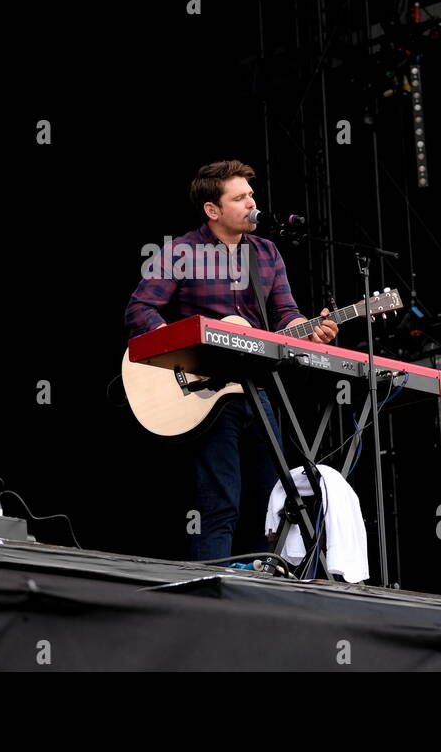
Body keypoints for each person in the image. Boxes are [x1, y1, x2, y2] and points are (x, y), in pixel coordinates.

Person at [125, 161, 337, 561]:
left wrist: (309, 329)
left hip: (256, 389)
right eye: (239, 198)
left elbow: (286, 315)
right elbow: (140, 310)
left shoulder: (267, 253)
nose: (251, 203)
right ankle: (212, 589)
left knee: (271, 506)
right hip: (205, 394)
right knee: (219, 504)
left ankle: (262, 587)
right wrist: (182, 353)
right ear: (212, 209)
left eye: (251, 195)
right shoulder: (182, 251)